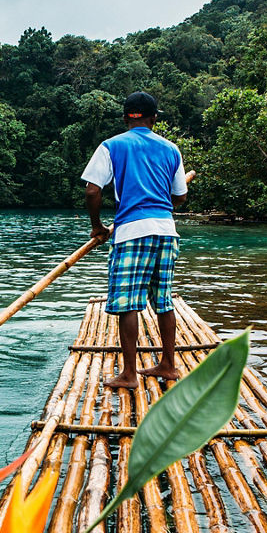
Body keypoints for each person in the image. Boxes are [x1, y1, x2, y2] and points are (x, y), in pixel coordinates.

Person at [81, 91, 188, 389]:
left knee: (128, 304)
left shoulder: (112, 145)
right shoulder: (171, 149)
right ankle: (168, 365)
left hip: (131, 233)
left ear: (127, 117)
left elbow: (92, 191)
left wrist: (97, 226)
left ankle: (129, 374)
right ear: (153, 118)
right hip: (166, 232)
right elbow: (180, 196)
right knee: (163, 301)